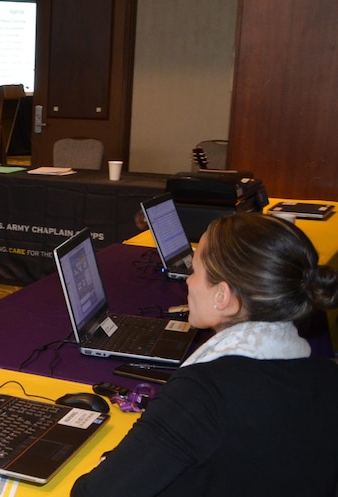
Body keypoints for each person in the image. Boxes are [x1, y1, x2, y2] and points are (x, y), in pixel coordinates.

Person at [72, 212, 338, 496]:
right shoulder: (327, 375)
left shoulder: (202, 393)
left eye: (196, 271)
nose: (188, 282)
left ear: (222, 296)